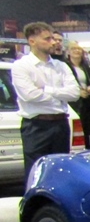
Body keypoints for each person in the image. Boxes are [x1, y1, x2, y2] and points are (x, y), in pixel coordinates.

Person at [10, 22, 81, 178]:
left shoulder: (61, 66)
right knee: (36, 173)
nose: (53, 42)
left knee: (60, 171)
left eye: (53, 38)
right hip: (36, 126)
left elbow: (74, 93)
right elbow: (30, 95)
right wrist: (60, 95)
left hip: (60, 124)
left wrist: (46, 89)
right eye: (47, 39)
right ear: (32, 41)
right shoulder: (21, 66)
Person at [65, 41, 90, 148]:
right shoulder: (64, 67)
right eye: (73, 49)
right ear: (68, 52)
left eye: (79, 49)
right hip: (73, 105)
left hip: (88, 104)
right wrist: (77, 92)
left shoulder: (88, 66)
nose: (77, 51)